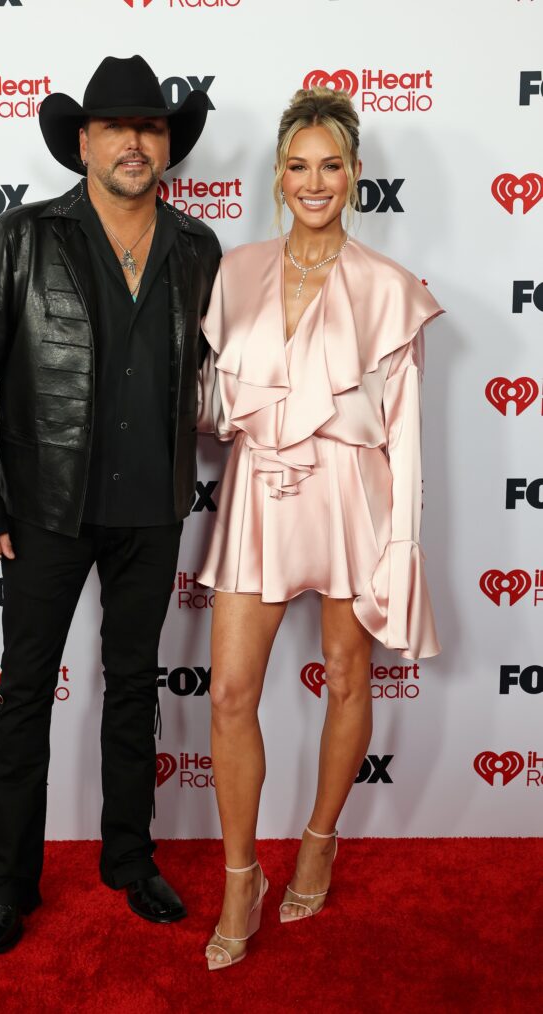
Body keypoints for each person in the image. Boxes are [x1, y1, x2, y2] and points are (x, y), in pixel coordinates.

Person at [0, 54, 221, 955]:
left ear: (167, 146)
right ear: (83, 142)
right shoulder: (24, 236)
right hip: (43, 510)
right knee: (25, 693)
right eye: (116, 128)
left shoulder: (197, 248)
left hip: (152, 507)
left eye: (150, 127)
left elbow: (218, 374)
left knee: (133, 686)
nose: (135, 142)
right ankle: (4, 888)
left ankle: (130, 860)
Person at [197, 86, 444, 970]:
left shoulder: (387, 289)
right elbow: (212, 404)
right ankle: (239, 876)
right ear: (277, 174)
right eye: (298, 166)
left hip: (351, 497)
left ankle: (319, 838)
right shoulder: (236, 271)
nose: (314, 181)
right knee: (229, 692)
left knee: (346, 676)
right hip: (261, 492)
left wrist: (401, 551)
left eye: (330, 166)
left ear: (356, 175)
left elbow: (408, 434)